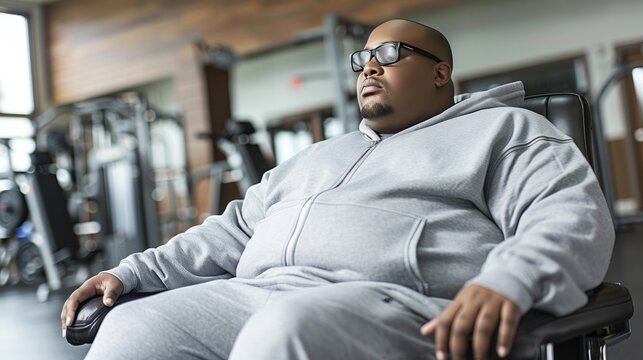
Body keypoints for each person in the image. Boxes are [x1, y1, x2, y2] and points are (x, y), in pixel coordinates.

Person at [61, 19, 614, 360]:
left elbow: (568, 216)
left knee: (287, 329)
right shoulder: (318, 155)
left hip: (405, 308)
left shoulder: (505, 130)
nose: (369, 67)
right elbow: (233, 230)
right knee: (135, 325)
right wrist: (132, 272)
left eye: (390, 54)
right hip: (259, 294)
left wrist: (510, 281)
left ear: (441, 73)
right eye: (363, 59)